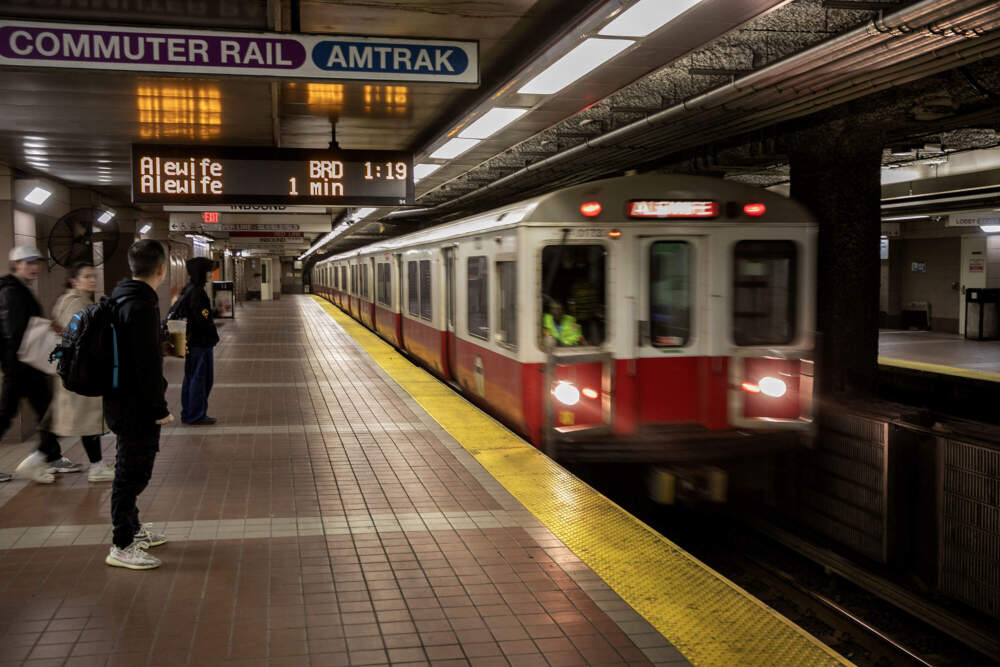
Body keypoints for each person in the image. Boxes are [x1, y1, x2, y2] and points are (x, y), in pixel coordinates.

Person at [104, 240, 173, 570]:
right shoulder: (142, 305)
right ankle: (122, 544)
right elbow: (146, 366)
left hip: (121, 400)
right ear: (161, 269)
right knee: (131, 474)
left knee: (131, 469)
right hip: (135, 406)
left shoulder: (122, 296)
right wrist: (159, 409)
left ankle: (132, 529)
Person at [0, 246, 82, 483]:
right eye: (28, 263)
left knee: (47, 412)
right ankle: (51, 456)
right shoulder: (11, 292)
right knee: (8, 415)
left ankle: (52, 455)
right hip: (20, 365)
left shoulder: (19, 289)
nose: (34, 267)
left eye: (35, 262)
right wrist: (46, 329)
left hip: (26, 364)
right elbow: (16, 329)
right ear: (16, 265)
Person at [48, 263, 114, 482]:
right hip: (80, 372)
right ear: (74, 281)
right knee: (86, 421)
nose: (92, 280)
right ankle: (96, 467)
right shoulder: (75, 303)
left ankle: (95, 464)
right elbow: (77, 336)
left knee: (85, 421)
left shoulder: (80, 301)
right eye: (86, 276)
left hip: (80, 371)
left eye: (93, 276)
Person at [176, 258, 219, 425]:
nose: (211, 273)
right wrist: (212, 333)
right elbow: (203, 317)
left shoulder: (188, 289)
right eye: (208, 270)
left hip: (193, 342)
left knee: (191, 377)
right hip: (200, 343)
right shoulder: (197, 292)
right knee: (201, 379)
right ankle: (196, 414)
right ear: (200, 272)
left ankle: (189, 412)